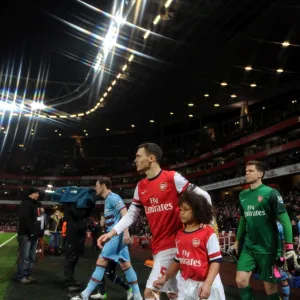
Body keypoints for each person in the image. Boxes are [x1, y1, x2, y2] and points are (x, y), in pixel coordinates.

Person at [98, 143, 212, 300]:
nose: (135, 160)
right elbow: (131, 215)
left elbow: (204, 196)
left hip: (172, 244)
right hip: (158, 245)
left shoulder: (172, 178)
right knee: (173, 294)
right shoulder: (141, 186)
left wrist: (208, 224)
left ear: (151, 158)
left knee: (150, 293)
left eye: (138, 156)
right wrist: (112, 232)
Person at [231, 160, 294, 300]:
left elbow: (285, 221)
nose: (246, 173)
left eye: (251, 171)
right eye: (246, 171)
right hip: (249, 246)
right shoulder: (243, 195)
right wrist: (236, 242)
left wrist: (289, 247)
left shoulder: (271, 193)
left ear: (260, 174)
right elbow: (243, 220)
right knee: (240, 281)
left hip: (268, 248)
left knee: (270, 288)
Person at [71, 176, 143, 300]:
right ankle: (137, 296)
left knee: (101, 262)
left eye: (97, 185)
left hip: (116, 236)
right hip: (116, 235)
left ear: (103, 186)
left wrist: (126, 233)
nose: (96, 188)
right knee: (126, 265)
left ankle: (85, 295)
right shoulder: (108, 199)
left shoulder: (113, 197)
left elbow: (125, 213)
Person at [153, 190, 225, 300]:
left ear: (197, 211)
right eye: (180, 209)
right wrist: (165, 277)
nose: (181, 212)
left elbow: (215, 262)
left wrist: (208, 284)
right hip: (186, 284)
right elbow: (178, 260)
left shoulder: (208, 233)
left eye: (186, 209)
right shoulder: (180, 234)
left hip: (205, 284)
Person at [64, 197, 94, 291]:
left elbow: (86, 215)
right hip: (73, 235)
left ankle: (71, 280)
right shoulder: (70, 204)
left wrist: (89, 206)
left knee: (74, 258)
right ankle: (68, 283)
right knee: (70, 258)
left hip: (78, 234)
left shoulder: (78, 205)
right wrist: (86, 206)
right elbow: (79, 215)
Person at [16, 187, 41, 284]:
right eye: (36, 193)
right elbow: (24, 220)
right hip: (26, 234)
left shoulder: (33, 205)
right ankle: (21, 276)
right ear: (31, 194)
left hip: (32, 234)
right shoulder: (26, 204)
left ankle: (27, 275)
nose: (38, 195)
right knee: (24, 257)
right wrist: (31, 232)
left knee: (31, 257)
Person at [276, 221, 290, 300]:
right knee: (270, 280)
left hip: (278, 257)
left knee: (283, 278)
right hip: (268, 256)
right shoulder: (265, 224)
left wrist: (284, 255)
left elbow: (283, 241)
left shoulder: (280, 226)